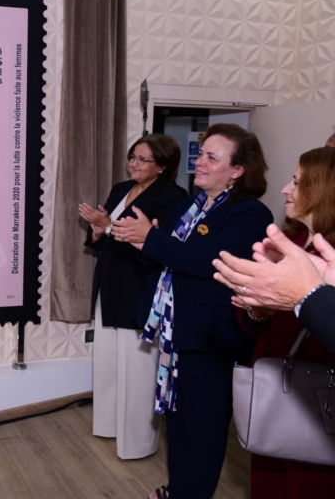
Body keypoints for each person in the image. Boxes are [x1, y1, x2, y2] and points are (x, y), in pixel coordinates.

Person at [112, 123, 274, 499]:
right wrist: (143, 241)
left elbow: (207, 261)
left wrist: (151, 239)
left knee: (203, 427)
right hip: (177, 331)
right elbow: (163, 254)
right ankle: (179, 489)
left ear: (238, 170)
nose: (199, 162)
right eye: (201, 154)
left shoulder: (250, 214)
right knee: (178, 420)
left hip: (211, 336)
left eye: (211, 157)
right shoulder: (190, 205)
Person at [230, 147, 335, 497]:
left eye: (297, 182)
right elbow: (254, 323)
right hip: (275, 390)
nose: (285, 189)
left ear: (324, 191)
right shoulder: (290, 241)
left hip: (318, 400)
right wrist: (257, 309)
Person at [78, 134, 186, 460]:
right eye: (132, 157)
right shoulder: (121, 188)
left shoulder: (173, 197)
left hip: (141, 286)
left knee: (138, 368)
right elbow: (105, 235)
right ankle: (109, 425)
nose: (134, 164)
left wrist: (109, 227)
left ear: (163, 165)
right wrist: (98, 230)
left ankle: (138, 442)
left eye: (143, 159)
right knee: (109, 360)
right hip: (111, 283)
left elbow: (157, 246)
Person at [213, 225, 335, 354]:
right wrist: (259, 310)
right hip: (268, 357)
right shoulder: (292, 238)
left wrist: (309, 295)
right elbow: (256, 330)